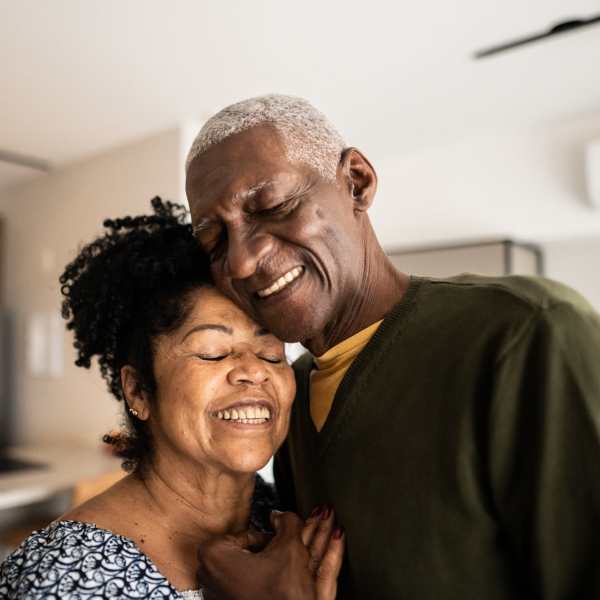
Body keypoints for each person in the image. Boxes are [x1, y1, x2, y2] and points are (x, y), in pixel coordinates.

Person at [185, 94, 600, 599]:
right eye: (215, 243)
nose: (243, 262)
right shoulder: (288, 399)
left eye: (272, 207)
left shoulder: (525, 334)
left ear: (356, 182)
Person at [0, 198, 344, 599]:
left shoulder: (286, 524)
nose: (255, 370)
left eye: (272, 354)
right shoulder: (64, 578)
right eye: (213, 352)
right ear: (139, 391)